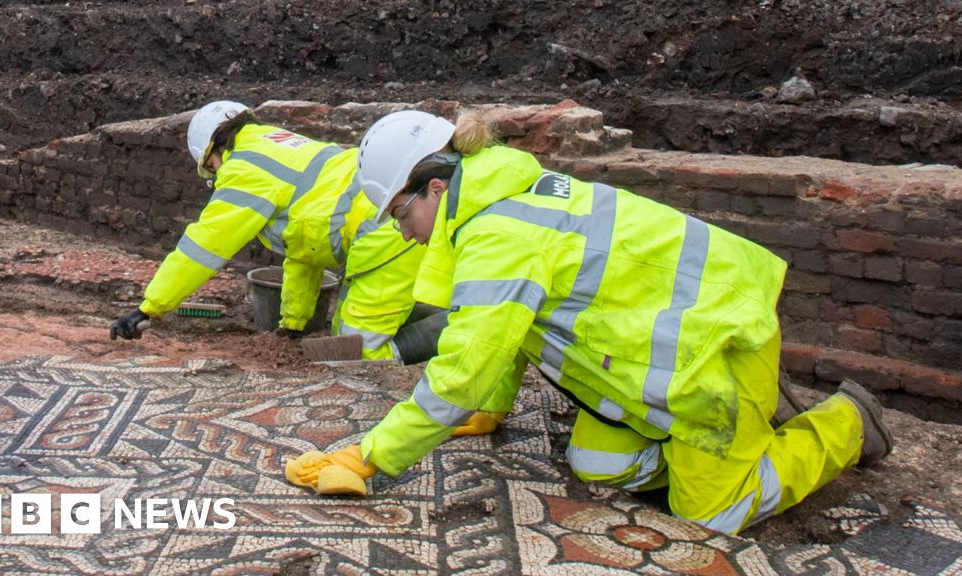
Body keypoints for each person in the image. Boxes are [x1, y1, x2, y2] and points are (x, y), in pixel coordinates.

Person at [284, 110, 894, 535]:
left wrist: (371, 457)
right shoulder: (499, 201)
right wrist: (490, 410)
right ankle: (720, 435)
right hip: (662, 356)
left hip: (718, 345)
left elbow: (463, 367)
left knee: (713, 513)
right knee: (599, 465)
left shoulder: (498, 235)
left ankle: (844, 422)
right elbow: (508, 331)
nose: (401, 230)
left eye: (399, 213)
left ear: (435, 188)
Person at [109, 100, 439, 362]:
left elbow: (203, 248)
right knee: (354, 330)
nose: (216, 178)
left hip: (389, 224)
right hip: (403, 212)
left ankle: (461, 334)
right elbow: (304, 252)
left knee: (355, 352)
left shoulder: (244, 168)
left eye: (211, 170)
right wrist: (293, 326)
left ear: (214, 153)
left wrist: (148, 307)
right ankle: (459, 322)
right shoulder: (281, 147)